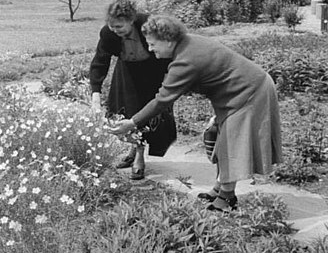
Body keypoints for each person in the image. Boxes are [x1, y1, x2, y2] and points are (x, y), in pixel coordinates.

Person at [108, 15, 282, 211]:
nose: (150, 49)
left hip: (251, 91)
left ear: (168, 40)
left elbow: (162, 100)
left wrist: (132, 123)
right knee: (219, 137)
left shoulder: (186, 60)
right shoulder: (186, 44)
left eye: (152, 44)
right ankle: (219, 189)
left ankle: (227, 198)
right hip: (237, 92)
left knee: (230, 144)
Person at [89, 0, 176, 180]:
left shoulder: (149, 26)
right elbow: (100, 61)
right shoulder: (108, 33)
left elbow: (168, 51)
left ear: (131, 20)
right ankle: (133, 150)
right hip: (126, 73)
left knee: (146, 114)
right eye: (112, 26)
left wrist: (169, 80)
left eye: (119, 26)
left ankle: (138, 156)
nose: (115, 30)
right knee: (126, 113)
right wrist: (95, 93)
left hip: (152, 72)